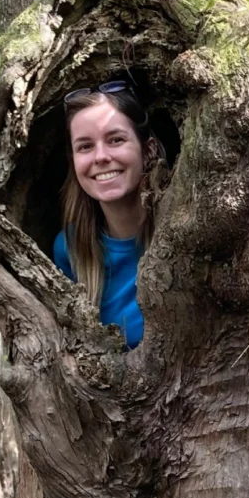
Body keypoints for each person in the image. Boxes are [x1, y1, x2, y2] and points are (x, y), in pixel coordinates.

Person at [52, 78, 161, 348]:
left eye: (115, 139)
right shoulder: (69, 249)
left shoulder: (183, 229)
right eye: (85, 146)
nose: (100, 156)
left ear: (148, 151)